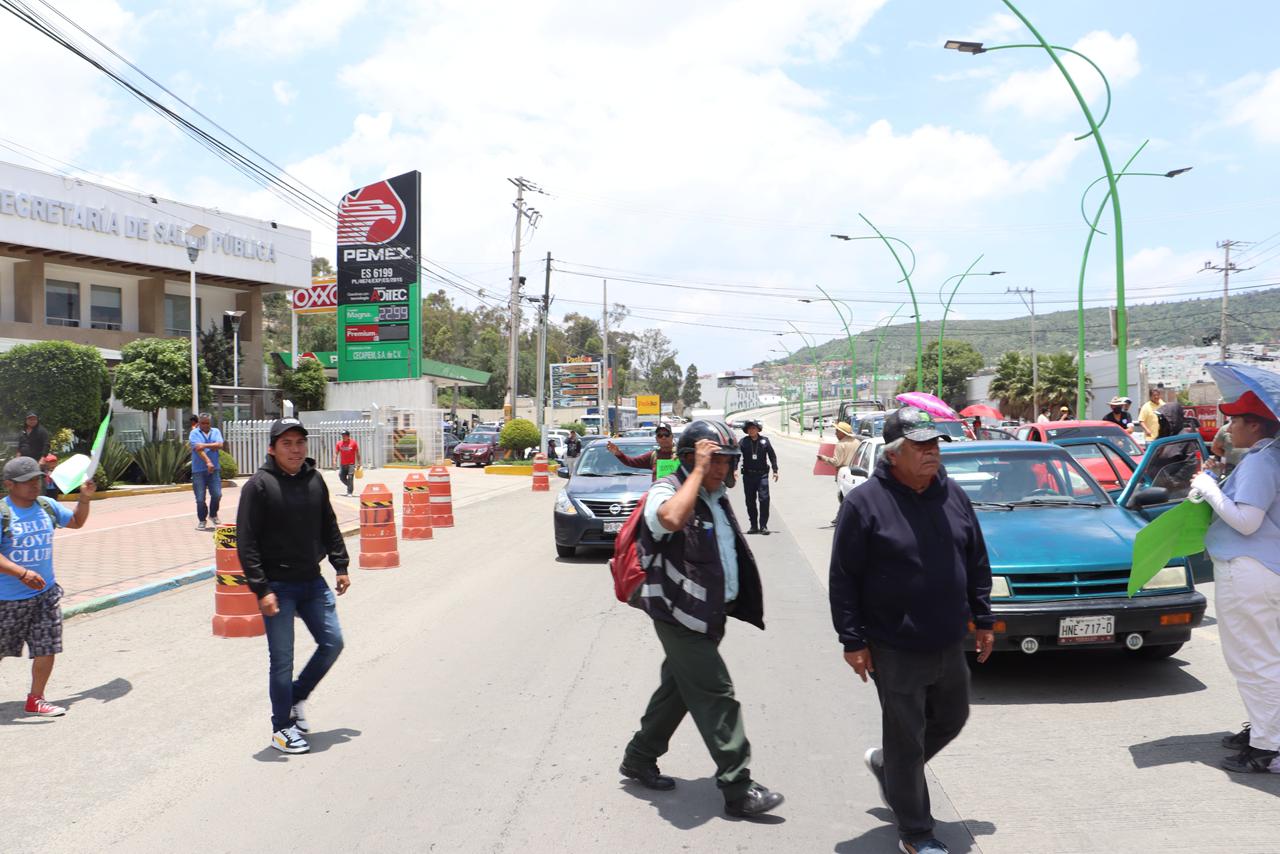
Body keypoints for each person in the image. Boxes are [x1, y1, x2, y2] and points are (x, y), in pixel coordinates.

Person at [829, 407, 995, 854]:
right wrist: (852, 640)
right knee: (905, 736)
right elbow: (843, 576)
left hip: (947, 637)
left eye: (935, 444)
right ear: (895, 454)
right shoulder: (865, 503)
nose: (932, 454)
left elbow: (976, 559)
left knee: (952, 717)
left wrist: (983, 618)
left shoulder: (953, 495)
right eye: (921, 447)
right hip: (893, 643)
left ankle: (891, 768)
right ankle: (917, 833)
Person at [622, 420, 784, 819]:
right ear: (690, 459)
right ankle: (738, 787)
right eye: (713, 461)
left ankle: (639, 757)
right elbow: (668, 521)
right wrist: (696, 471)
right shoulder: (670, 488)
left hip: (708, 613)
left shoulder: (715, 496)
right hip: (678, 615)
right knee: (715, 693)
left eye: (726, 461)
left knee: (678, 688)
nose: (721, 469)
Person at [236, 418, 350, 755]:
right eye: (287, 443)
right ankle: (281, 728)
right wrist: (262, 589)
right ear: (272, 448)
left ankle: (296, 696)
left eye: (300, 442)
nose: (295, 449)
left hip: (311, 581)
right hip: (277, 587)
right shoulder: (257, 487)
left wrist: (340, 565)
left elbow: (328, 524)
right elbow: (246, 542)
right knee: (282, 660)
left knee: (333, 642)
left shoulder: (315, 480)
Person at [1188, 391, 1280, 774]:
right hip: (1265, 567)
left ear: (1255, 424)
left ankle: (1268, 747)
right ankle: (1266, 732)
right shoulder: (1266, 458)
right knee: (1266, 657)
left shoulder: (1262, 460)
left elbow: (1247, 521)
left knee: (1252, 660)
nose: (1229, 426)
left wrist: (1210, 491)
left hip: (1248, 568)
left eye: (1235, 419)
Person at [0, 456, 94, 717]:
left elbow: (76, 522)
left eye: (37, 480)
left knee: (47, 647)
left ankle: (36, 699)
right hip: (7, 598)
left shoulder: (47, 506)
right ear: (9, 484)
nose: (34, 485)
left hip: (45, 594)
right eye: (26, 482)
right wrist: (21, 573)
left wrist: (84, 499)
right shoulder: (3, 513)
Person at [738, 421, 779, 535]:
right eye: (749, 429)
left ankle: (763, 526)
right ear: (746, 430)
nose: (751, 430)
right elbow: (736, 455)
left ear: (758, 429)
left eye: (754, 428)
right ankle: (753, 526)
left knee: (764, 500)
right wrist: (733, 470)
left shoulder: (765, 441)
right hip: (748, 476)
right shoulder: (743, 442)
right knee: (750, 501)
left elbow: (772, 455)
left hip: (762, 475)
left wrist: (775, 470)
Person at [819, 421, 863, 524]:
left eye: (837, 431)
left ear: (843, 433)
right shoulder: (857, 442)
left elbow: (836, 462)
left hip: (843, 473)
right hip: (857, 473)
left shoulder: (841, 444)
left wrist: (824, 458)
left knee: (843, 495)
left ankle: (841, 517)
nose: (835, 433)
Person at [189, 413, 224, 531]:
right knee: (200, 498)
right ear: (199, 423)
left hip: (214, 470)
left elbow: (219, 444)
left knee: (217, 494)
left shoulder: (216, 431)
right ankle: (202, 520)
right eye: (203, 423)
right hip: (199, 470)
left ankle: (213, 514)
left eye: (207, 423)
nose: (205, 425)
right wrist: (208, 461)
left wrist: (203, 445)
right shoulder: (194, 433)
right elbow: (198, 450)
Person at [607, 425, 676, 478]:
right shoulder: (653, 456)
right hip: (659, 494)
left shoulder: (681, 454)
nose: (663, 437)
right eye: (660, 435)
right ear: (656, 439)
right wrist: (618, 453)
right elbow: (631, 462)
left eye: (666, 435)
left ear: (672, 436)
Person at [335, 429, 360, 497]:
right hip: (343, 464)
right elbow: (336, 453)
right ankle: (350, 485)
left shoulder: (353, 443)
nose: (343, 437)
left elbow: (357, 453)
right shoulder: (339, 443)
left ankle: (349, 492)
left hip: (351, 464)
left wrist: (359, 463)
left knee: (350, 477)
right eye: (342, 435)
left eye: (345, 435)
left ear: (348, 436)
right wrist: (334, 461)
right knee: (341, 476)